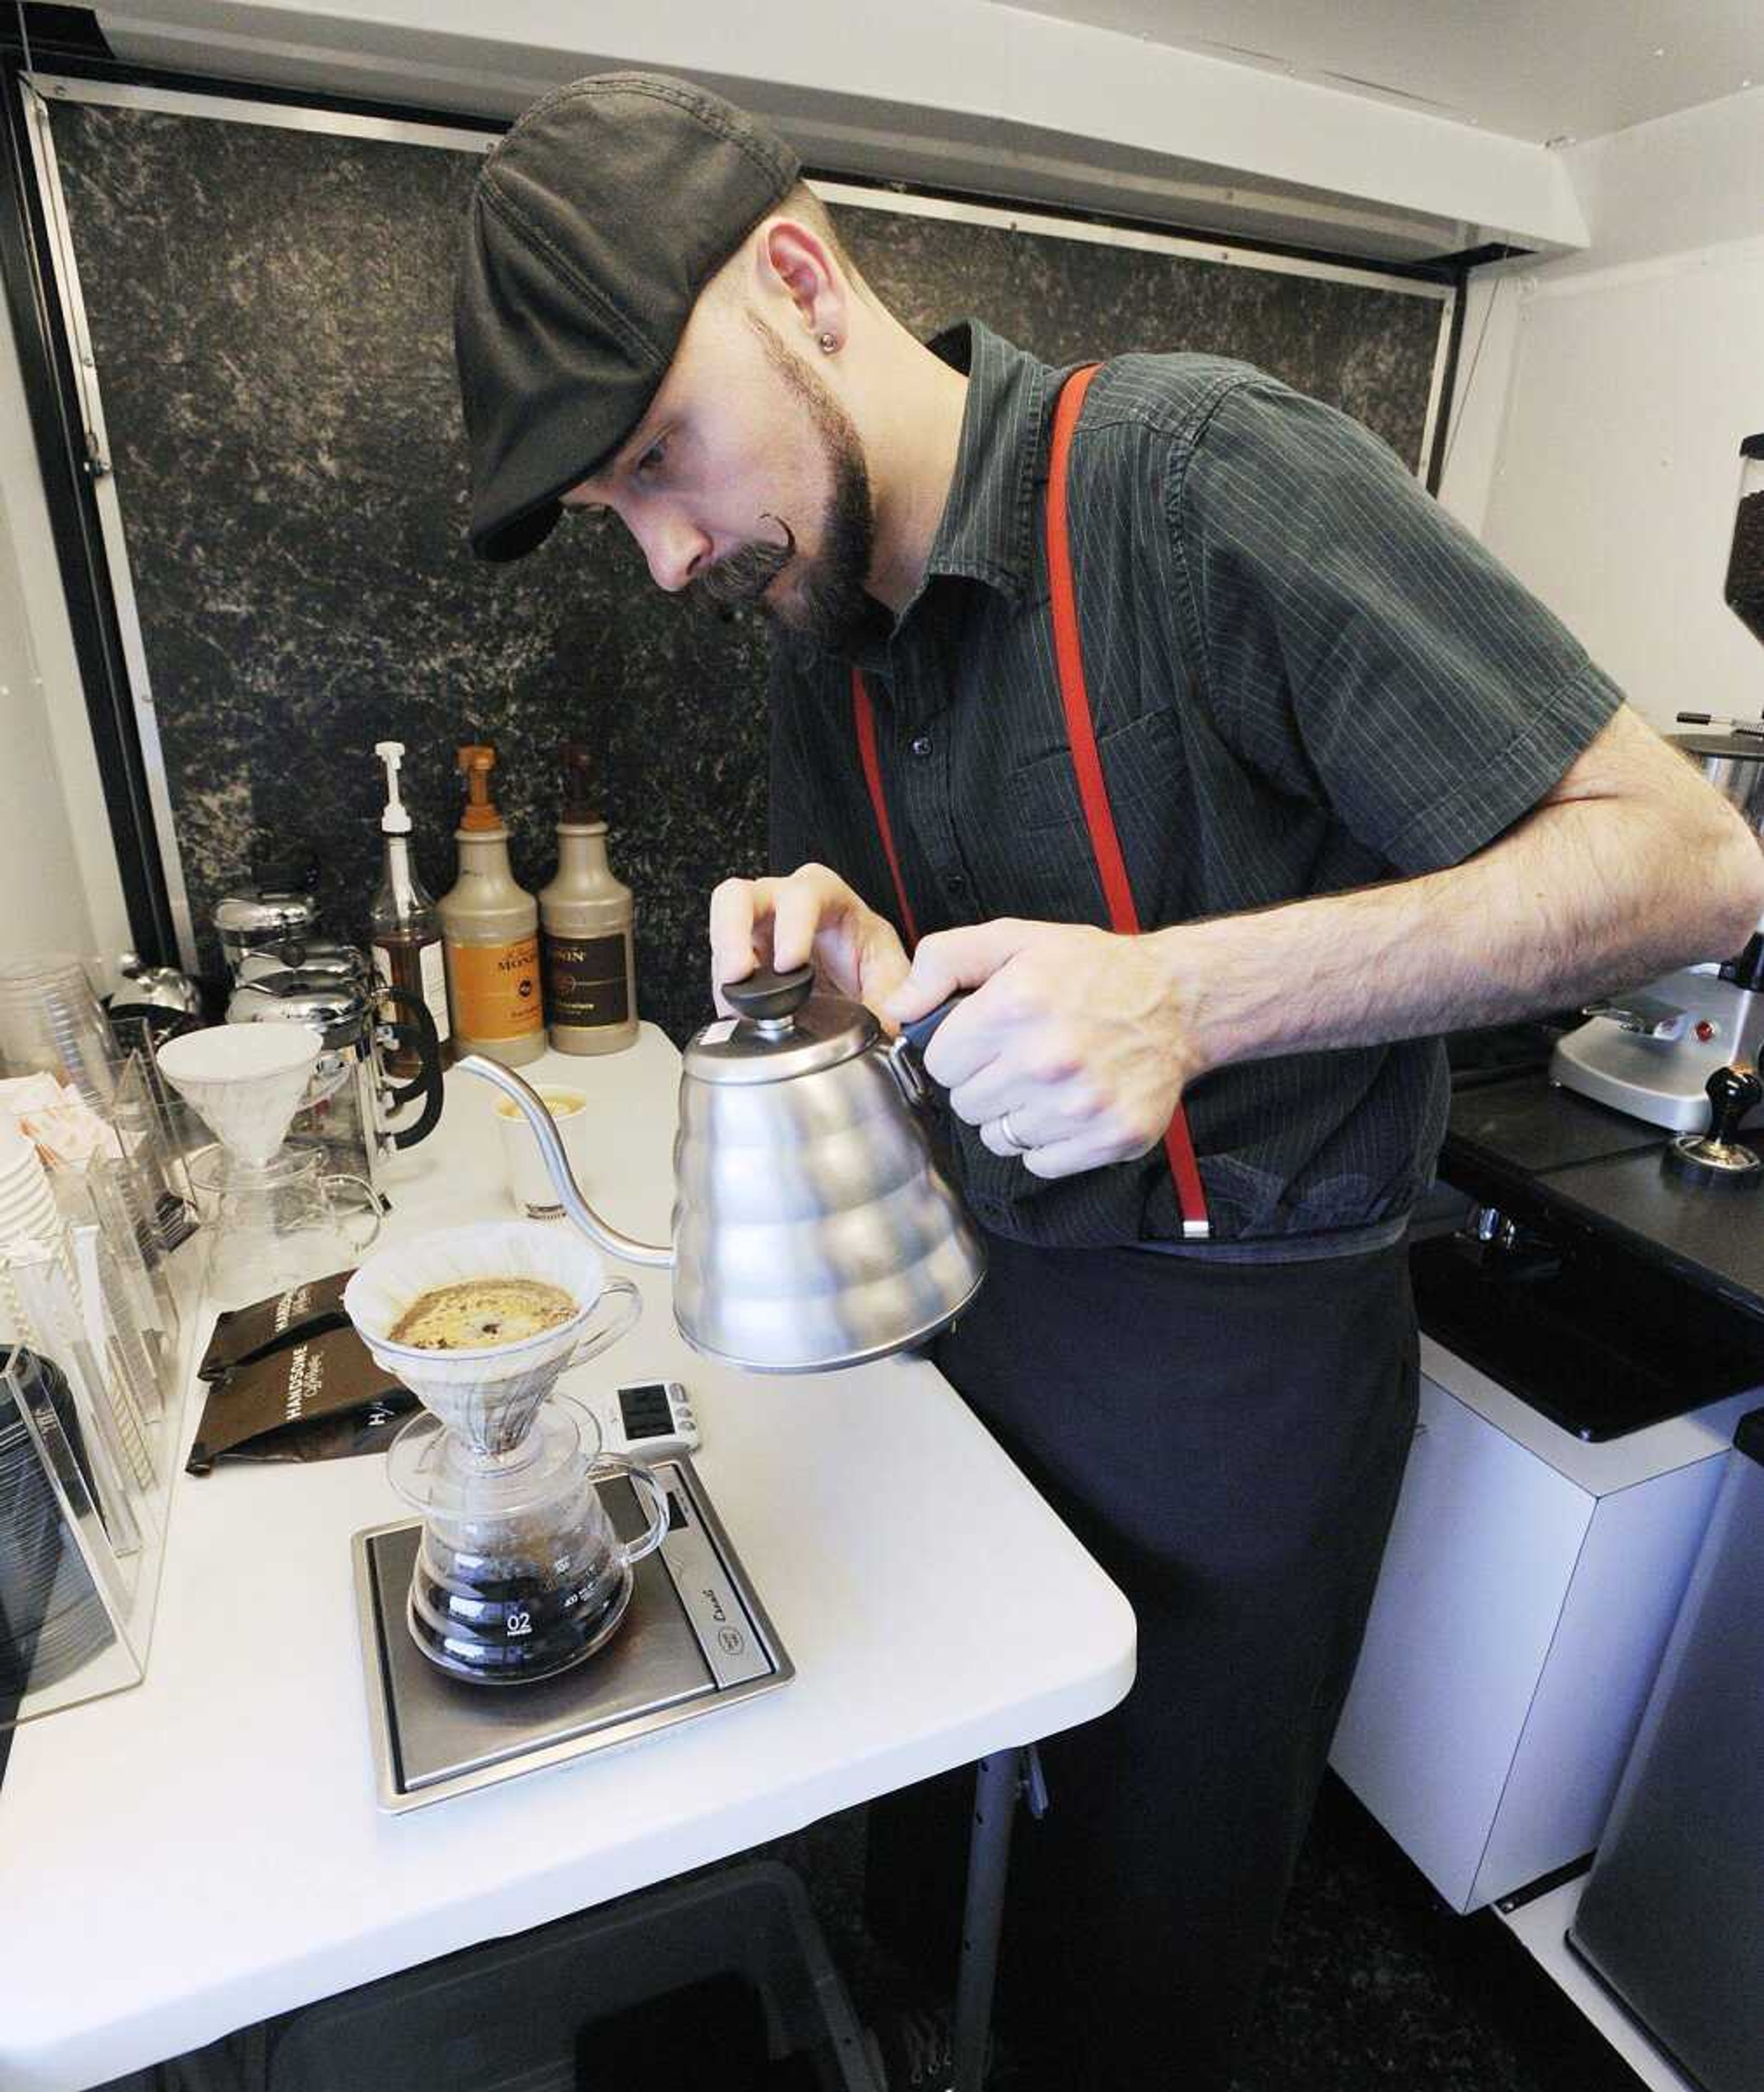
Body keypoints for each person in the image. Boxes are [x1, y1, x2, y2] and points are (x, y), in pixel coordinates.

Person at [452, 74, 1764, 2091]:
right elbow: (948, 1003)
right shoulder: (814, 616)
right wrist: (855, 977)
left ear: (799, 279)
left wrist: (1191, 996)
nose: (659, 552)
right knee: (936, 1849)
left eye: (656, 460)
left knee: (1134, 1956)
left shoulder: (1199, 480)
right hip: (984, 1326)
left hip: (1235, 1381)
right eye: (617, 508)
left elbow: (1690, 856)